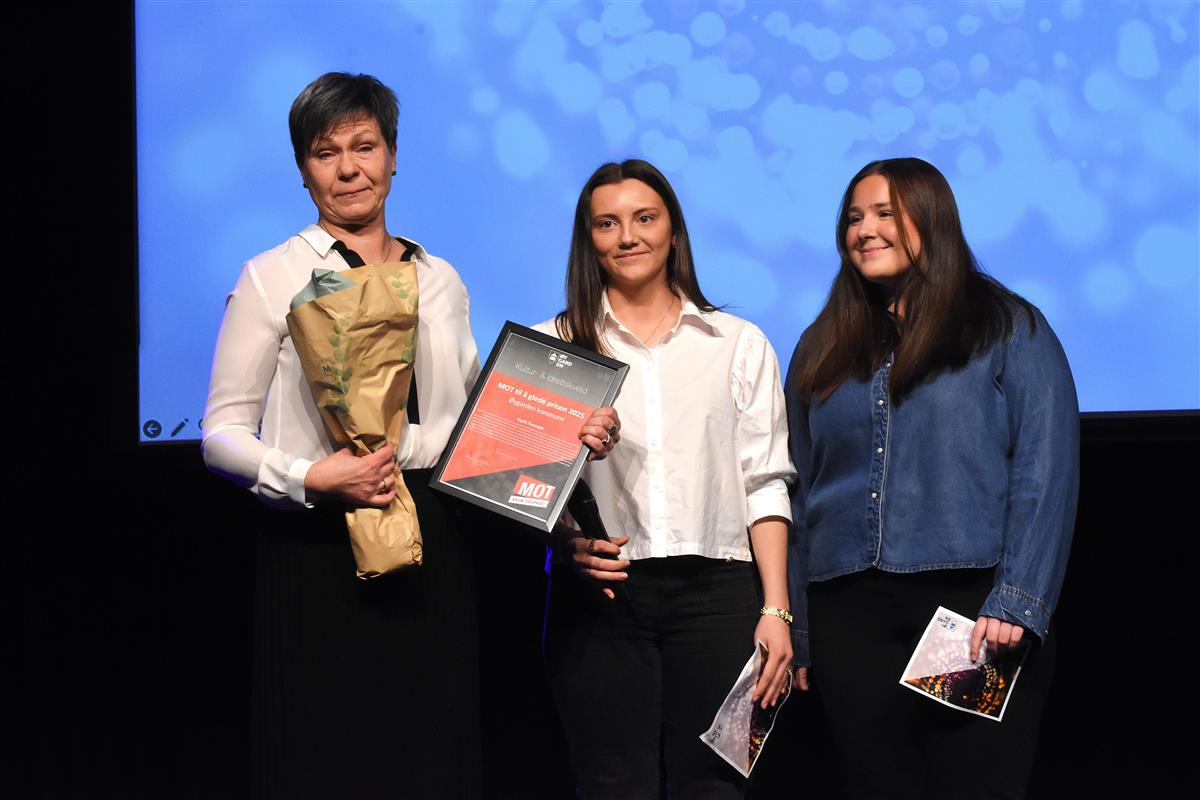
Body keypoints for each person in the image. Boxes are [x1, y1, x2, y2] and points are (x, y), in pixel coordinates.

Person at [201, 72, 617, 800]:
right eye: (326, 153)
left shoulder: (441, 278)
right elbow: (221, 433)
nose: (348, 169)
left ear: (393, 156)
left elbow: (476, 425)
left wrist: (564, 432)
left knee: (432, 748)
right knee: (322, 754)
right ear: (303, 170)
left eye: (364, 147)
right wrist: (310, 479)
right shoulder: (273, 276)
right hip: (318, 542)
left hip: (437, 538)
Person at [785, 157, 1079, 799]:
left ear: (933, 219)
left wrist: (1016, 600)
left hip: (970, 612)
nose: (865, 230)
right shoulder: (821, 346)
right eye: (854, 218)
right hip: (848, 617)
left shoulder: (1009, 328)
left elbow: (1045, 469)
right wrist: (799, 626)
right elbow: (797, 490)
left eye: (885, 213)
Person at [535, 159, 796, 800]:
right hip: (601, 595)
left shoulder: (736, 343)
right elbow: (519, 479)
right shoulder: (550, 348)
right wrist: (567, 539)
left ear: (673, 230)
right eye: (607, 223)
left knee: (718, 785)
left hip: (721, 594)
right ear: (588, 239)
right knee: (609, 785)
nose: (628, 236)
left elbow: (766, 482)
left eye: (644, 218)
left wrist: (776, 610)